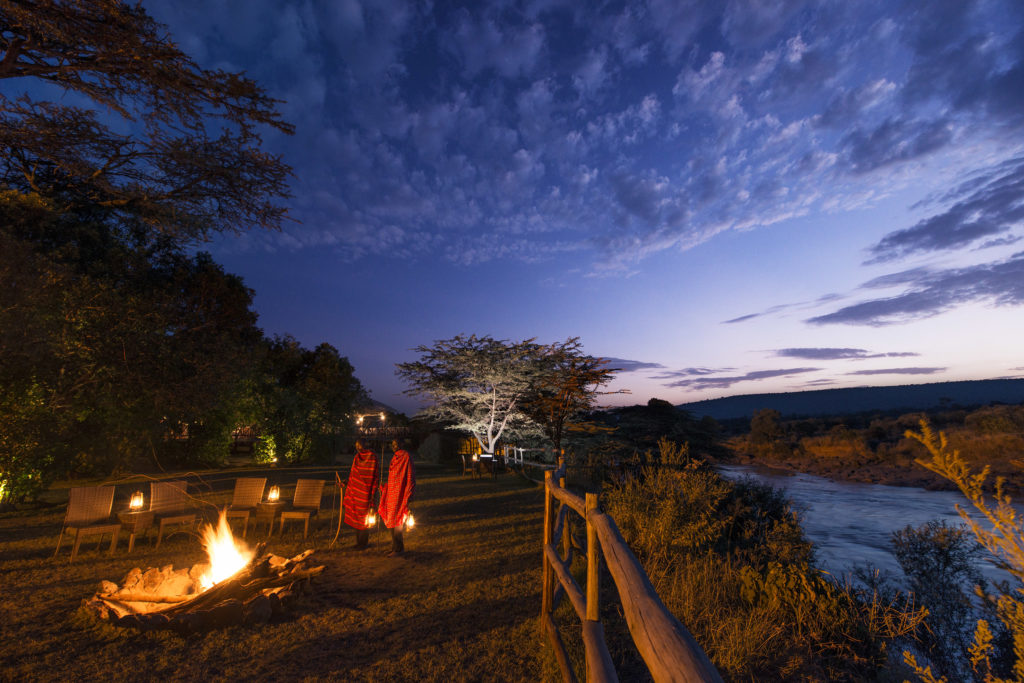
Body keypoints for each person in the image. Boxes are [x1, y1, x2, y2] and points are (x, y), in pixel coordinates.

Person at [379, 438, 416, 557]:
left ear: (402, 444)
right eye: (393, 444)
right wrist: (385, 488)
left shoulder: (406, 456)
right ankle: (394, 547)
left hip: (401, 494)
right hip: (392, 493)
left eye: (397, 444)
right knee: (391, 520)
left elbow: (410, 476)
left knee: (398, 520)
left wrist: (408, 494)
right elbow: (393, 476)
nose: (395, 446)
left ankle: (399, 549)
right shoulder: (394, 457)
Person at [343, 440, 379, 550]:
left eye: (360, 445)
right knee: (356, 518)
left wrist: (372, 493)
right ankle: (358, 542)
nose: (358, 447)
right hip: (356, 492)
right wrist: (346, 483)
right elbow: (353, 475)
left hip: (366, 492)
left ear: (365, 444)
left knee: (364, 518)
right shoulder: (356, 458)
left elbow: (374, 475)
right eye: (357, 445)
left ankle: (363, 543)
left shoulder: (372, 457)